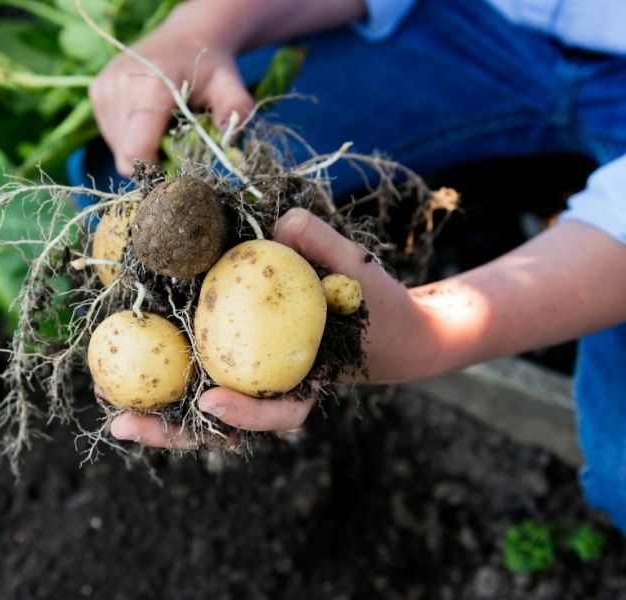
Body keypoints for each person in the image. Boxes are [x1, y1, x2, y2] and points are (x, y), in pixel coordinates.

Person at [86, 0, 626, 532]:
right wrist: (205, 24)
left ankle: (512, 202)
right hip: (478, 17)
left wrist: (430, 335)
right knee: (116, 180)